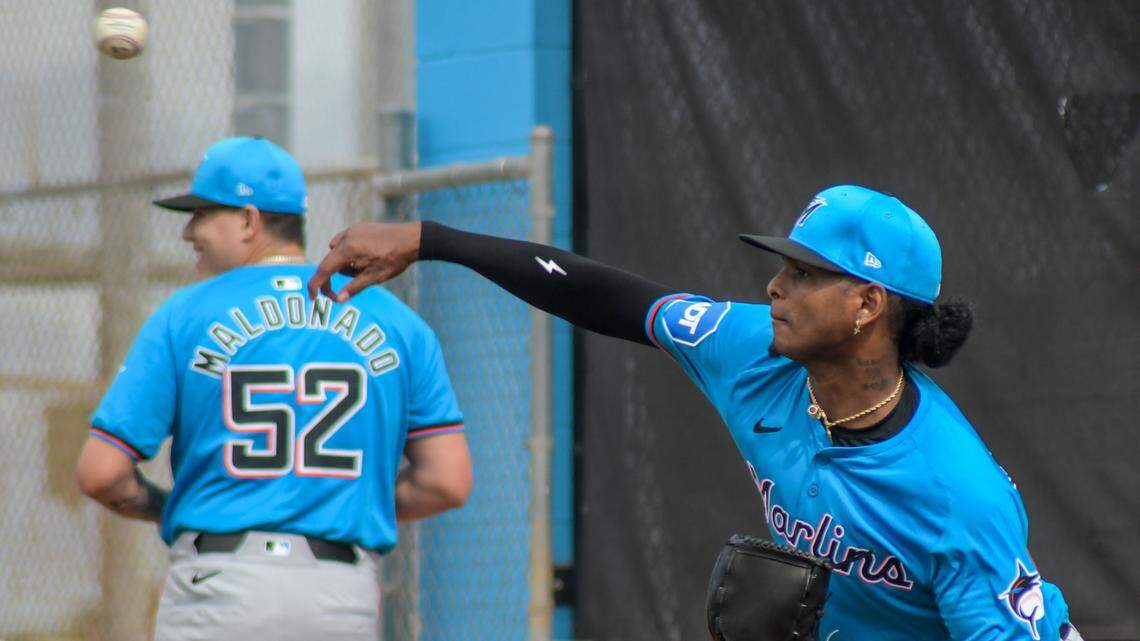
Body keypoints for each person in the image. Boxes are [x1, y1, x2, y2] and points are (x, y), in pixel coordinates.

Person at [309, 184, 1082, 641]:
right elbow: (606, 294)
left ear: (867, 305)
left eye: (806, 272)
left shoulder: (954, 492)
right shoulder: (753, 352)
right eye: (782, 264)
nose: (776, 286)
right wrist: (430, 239)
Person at [75, 136, 473, 641]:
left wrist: (166, 509)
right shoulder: (401, 324)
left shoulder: (185, 314)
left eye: (201, 213)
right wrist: (338, 500)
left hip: (220, 586)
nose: (188, 231)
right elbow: (447, 481)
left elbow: (100, 473)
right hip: (339, 596)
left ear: (248, 220)